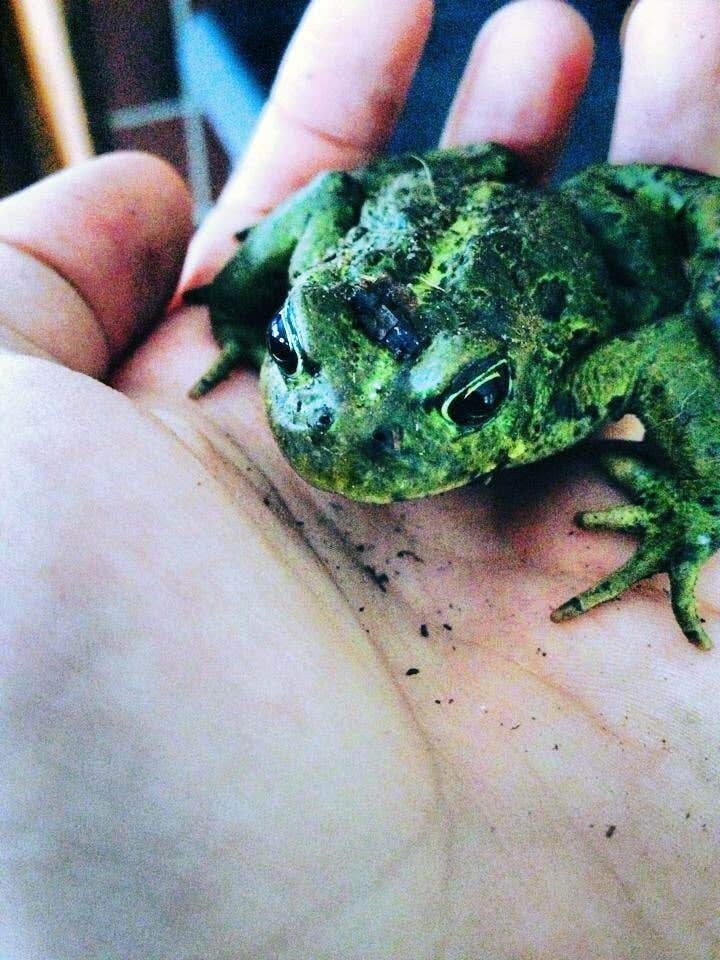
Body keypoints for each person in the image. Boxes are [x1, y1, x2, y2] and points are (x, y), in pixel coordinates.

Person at [1, 1, 718, 956]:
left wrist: (700, 497)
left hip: (563, 257)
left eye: (465, 403)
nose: (341, 438)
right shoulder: (327, 286)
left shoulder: (557, 389)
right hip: (413, 230)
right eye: (298, 350)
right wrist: (248, 308)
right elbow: (334, 202)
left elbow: (659, 349)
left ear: (498, 392)